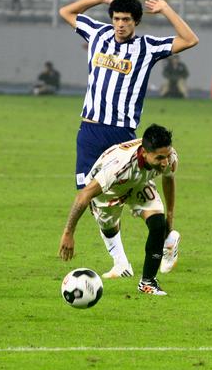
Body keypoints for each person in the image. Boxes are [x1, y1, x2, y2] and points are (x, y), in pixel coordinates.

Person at [58, 0, 197, 277]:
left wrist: (166, 9)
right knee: (93, 198)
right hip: (89, 130)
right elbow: (66, 12)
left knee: (132, 193)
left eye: (127, 20)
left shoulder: (146, 47)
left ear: (136, 22)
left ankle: (166, 236)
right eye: (117, 18)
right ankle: (121, 263)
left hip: (121, 134)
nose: (121, 24)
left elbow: (189, 39)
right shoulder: (98, 33)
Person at [59, 124, 181, 295]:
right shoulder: (119, 166)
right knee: (109, 228)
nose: (165, 162)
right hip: (108, 192)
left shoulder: (169, 157)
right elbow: (83, 195)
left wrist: (170, 215)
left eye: (166, 156)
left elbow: (168, 178)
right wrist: (68, 233)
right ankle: (121, 264)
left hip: (139, 183)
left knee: (158, 224)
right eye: (160, 158)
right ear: (144, 153)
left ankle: (148, 282)